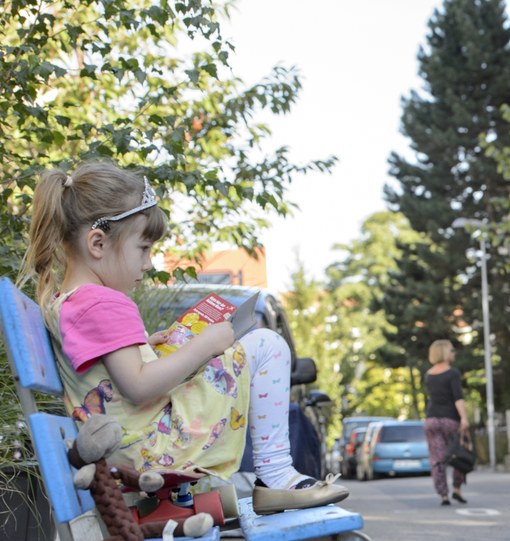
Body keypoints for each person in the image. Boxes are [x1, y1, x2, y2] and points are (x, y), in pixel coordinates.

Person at [18, 160, 347, 515]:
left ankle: (273, 477)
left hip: (128, 447)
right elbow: (139, 387)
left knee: (249, 346)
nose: (148, 264)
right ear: (97, 243)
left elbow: (113, 375)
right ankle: (277, 475)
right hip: (154, 447)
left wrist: (150, 345)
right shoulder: (103, 301)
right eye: (142, 249)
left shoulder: (66, 301)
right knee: (267, 346)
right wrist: (204, 345)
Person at [424, 339, 470, 507]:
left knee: (437, 458)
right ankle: (457, 489)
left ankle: (443, 495)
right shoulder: (453, 373)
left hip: (431, 421)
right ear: (444, 352)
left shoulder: (428, 375)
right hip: (450, 420)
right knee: (458, 454)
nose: (454, 353)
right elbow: (458, 398)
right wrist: (464, 418)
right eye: (451, 350)